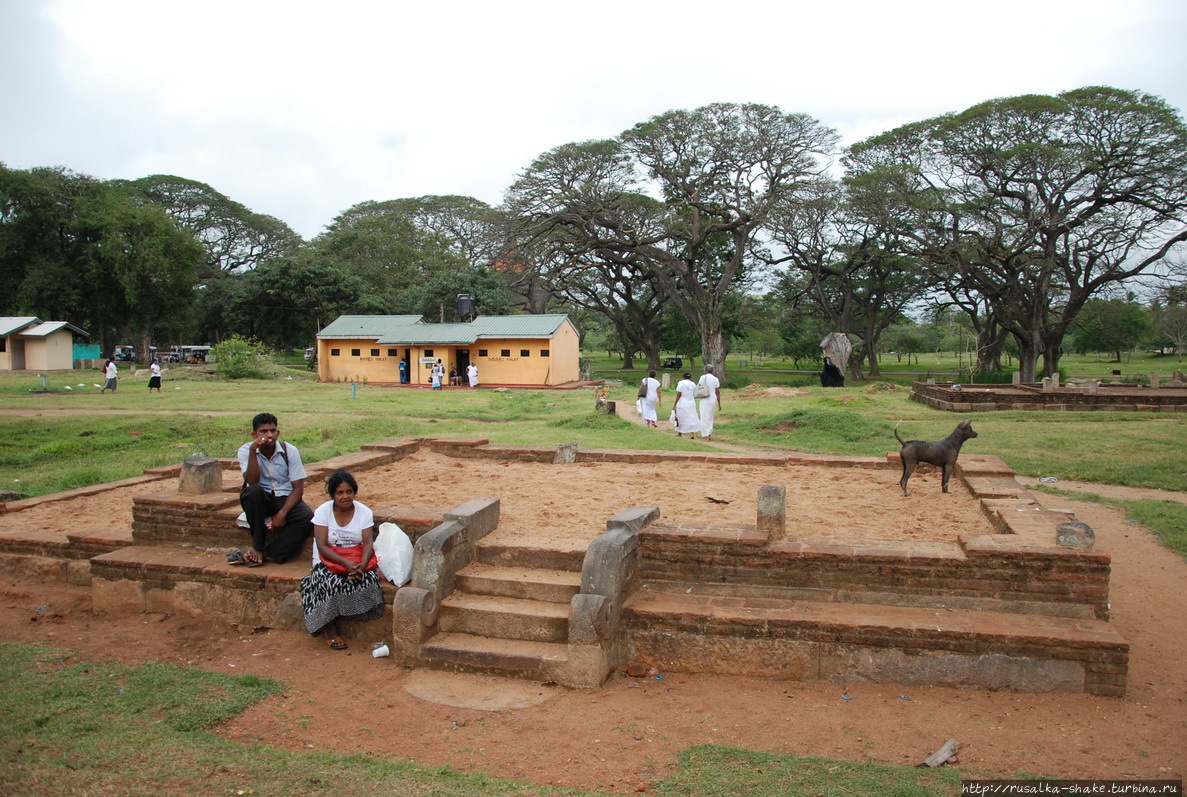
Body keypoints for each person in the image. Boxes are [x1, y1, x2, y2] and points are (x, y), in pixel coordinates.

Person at [300, 469, 384, 650]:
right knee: (328, 582)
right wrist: (345, 564)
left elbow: (368, 543)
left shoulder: (364, 512)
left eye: (349, 492)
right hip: (328, 561)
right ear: (333, 494)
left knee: (368, 581)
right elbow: (322, 545)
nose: (345, 497)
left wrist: (361, 566)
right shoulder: (323, 511)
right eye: (340, 493)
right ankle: (329, 627)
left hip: (356, 561)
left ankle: (355, 612)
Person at [231, 412, 314, 567]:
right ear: (254, 434)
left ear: (278, 432)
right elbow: (252, 481)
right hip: (260, 498)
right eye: (263, 431)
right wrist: (253, 452)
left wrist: (282, 514)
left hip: (284, 496)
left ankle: (268, 553)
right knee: (253, 491)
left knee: (306, 516)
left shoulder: (289, 451)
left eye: (272, 431)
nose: (269, 435)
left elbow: (298, 488)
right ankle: (258, 546)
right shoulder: (246, 450)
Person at [696, 364, 722, 441]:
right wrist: (719, 403)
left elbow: (699, 386)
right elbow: (717, 392)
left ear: (705, 370)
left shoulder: (702, 377)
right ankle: (709, 432)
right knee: (710, 417)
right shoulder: (716, 379)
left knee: (704, 416)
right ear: (712, 370)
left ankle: (706, 434)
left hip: (705, 398)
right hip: (712, 399)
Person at [673, 372, 701, 438]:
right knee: (691, 418)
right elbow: (694, 393)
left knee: (681, 418)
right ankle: (692, 433)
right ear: (690, 377)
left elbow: (678, 395)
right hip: (691, 402)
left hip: (682, 403)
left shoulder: (681, 384)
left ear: (683, 377)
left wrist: (675, 404)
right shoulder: (693, 384)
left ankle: (680, 433)